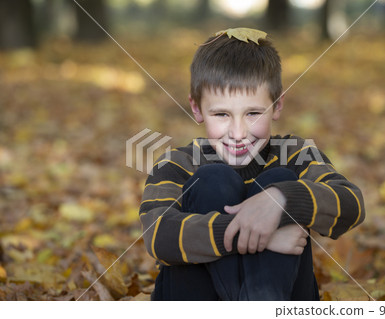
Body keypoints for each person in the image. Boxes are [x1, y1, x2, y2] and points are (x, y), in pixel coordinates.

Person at [139, 28, 365, 301]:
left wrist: (281, 200)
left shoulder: (296, 154)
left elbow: (351, 204)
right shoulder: (177, 164)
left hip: (277, 296)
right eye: (221, 114)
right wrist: (263, 236)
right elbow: (158, 235)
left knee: (279, 179)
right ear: (197, 109)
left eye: (253, 113)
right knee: (211, 180)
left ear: (277, 105)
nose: (237, 133)